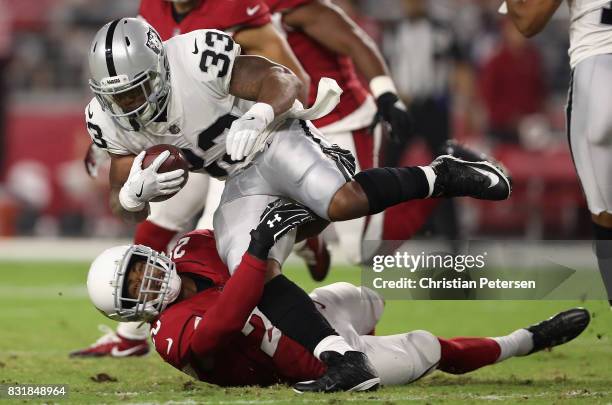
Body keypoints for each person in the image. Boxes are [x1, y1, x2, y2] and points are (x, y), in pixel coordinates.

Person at [82, 18, 511, 390]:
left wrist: (261, 113)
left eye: (137, 91)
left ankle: (440, 174)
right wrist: (132, 195)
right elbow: (124, 208)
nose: (129, 105)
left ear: (158, 68)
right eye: (117, 96)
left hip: (274, 140)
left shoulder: (194, 57)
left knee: (341, 203)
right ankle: (340, 357)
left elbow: (282, 78)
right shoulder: (106, 121)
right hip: (236, 179)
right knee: (248, 268)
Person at [85, 202, 590, 392]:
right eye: (132, 292)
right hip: (308, 364)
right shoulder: (170, 336)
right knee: (426, 348)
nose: (145, 283)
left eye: (136, 271)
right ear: (135, 313)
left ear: (143, 256)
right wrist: (261, 251)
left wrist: (306, 225)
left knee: (366, 296)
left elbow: (254, 239)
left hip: (312, 317)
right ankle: (525, 339)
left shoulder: (191, 249)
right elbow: (225, 318)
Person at [74, 0, 324, 358]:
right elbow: (129, 90)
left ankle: (269, 316)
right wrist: (126, 176)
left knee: (219, 249)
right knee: (154, 224)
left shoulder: (232, 11)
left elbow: (283, 67)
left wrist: (273, 111)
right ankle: (130, 334)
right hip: (186, 148)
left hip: (241, 148)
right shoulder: (150, 15)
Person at [501, 0, 612, 306]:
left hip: (598, 64)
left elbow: (528, 20)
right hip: (599, 60)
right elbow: (528, 21)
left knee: (605, 211)